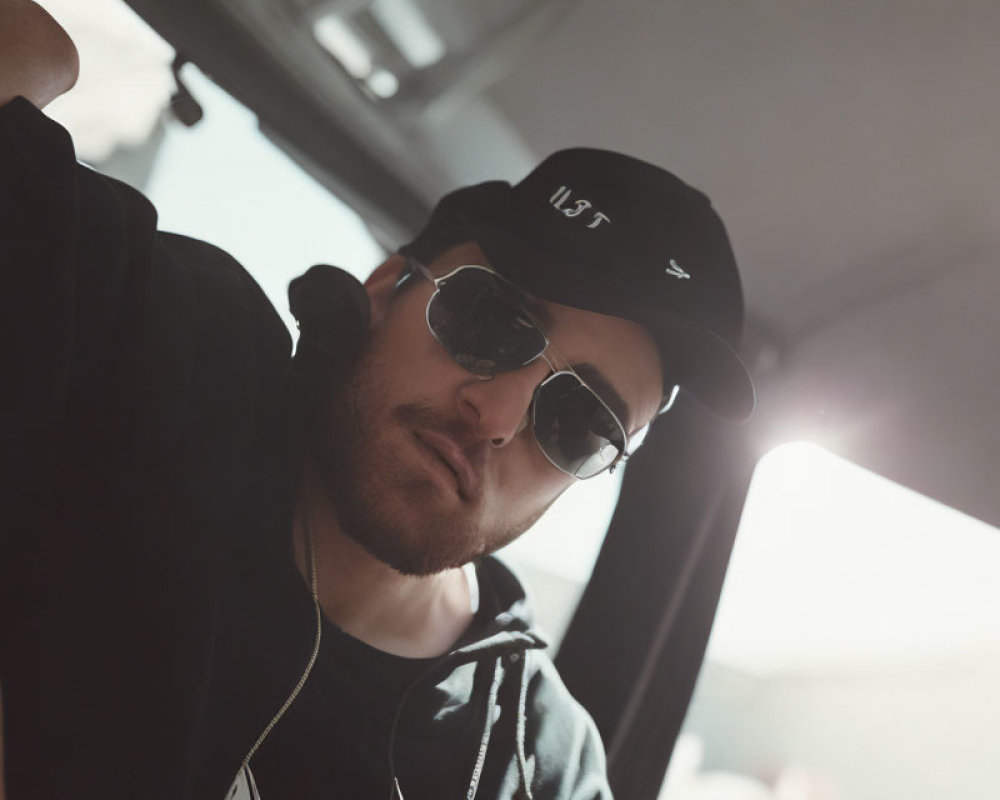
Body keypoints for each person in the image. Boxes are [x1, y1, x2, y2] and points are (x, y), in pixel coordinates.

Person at [0, 2, 754, 798]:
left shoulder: (541, 768)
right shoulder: (159, 342)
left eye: (578, 424)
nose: (497, 419)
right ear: (387, 286)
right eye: (492, 322)